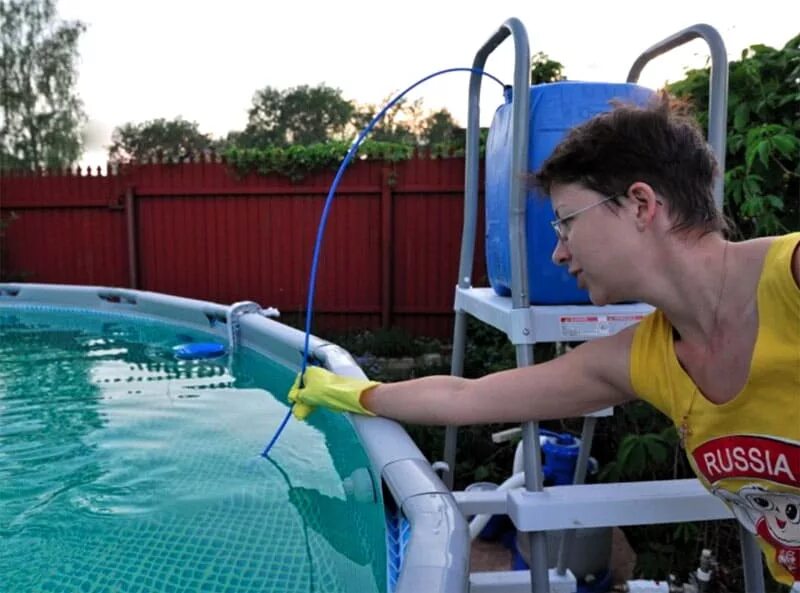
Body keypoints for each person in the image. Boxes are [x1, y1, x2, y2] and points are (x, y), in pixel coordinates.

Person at [289, 92, 800, 587]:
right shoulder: (643, 356)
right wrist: (352, 393)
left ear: (641, 204)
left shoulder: (791, 282)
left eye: (566, 223)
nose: (558, 253)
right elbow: (466, 396)